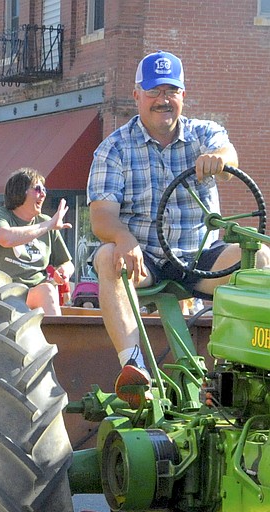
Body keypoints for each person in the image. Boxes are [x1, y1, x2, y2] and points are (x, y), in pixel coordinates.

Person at [87, 50, 270, 408]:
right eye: (154, 92)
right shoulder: (113, 149)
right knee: (108, 257)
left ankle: (233, 373)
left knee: (260, 258)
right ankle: (133, 368)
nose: (163, 100)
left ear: (183, 96)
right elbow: (101, 217)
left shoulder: (203, 133)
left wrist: (220, 160)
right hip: (146, 259)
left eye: (171, 91)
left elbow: (227, 150)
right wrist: (123, 238)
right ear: (137, 95)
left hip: (201, 258)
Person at [0, 167, 74, 316]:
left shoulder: (46, 222)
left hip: (32, 293)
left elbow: (67, 263)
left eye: (44, 189)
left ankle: (56, 338)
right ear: (19, 192)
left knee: (48, 290)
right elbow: (6, 238)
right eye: (37, 189)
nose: (43, 194)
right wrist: (48, 226)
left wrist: (64, 272)